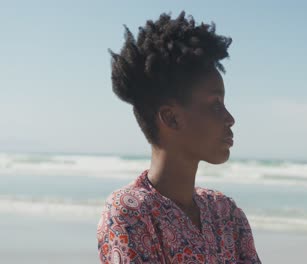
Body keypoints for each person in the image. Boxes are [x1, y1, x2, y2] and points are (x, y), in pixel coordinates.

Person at [96, 11, 262, 264]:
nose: (230, 118)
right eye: (215, 105)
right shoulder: (129, 211)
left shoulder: (226, 212)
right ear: (171, 118)